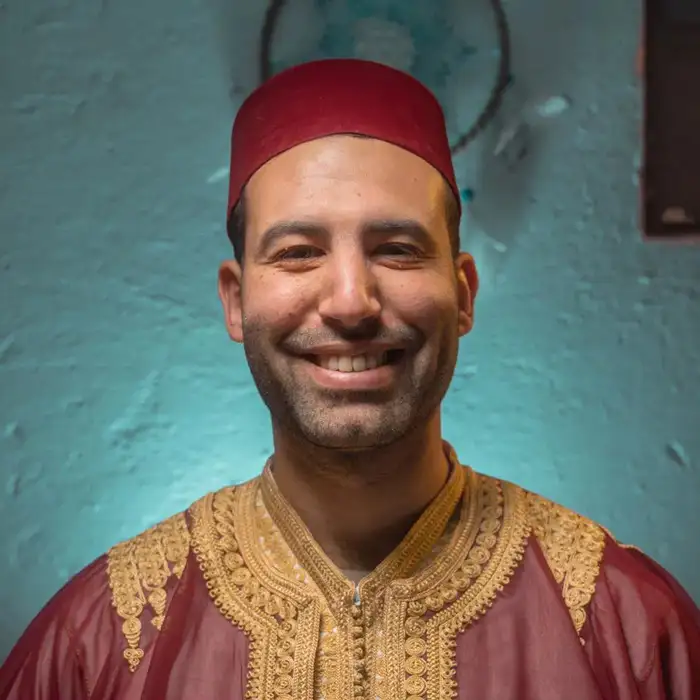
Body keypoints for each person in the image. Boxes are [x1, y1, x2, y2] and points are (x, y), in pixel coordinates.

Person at [1, 58, 698, 700]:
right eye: (299, 253)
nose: (350, 302)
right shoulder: (100, 642)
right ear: (236, 301)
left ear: (464, 295)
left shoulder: (627, 627)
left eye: (395, 250)